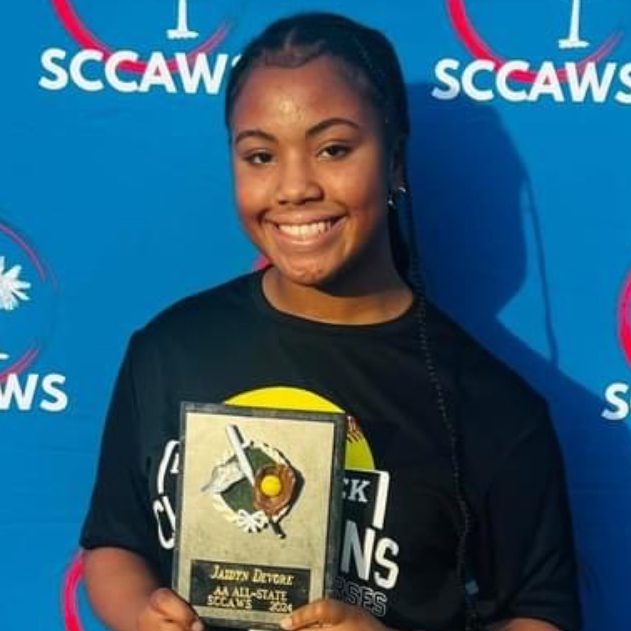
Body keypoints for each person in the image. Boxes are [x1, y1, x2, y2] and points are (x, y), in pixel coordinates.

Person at [80, 12, 580, 631]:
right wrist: (138, 612)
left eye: (333, 149)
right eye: (260, 155)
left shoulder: (494, 408)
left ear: (395, 162)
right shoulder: (168, 350)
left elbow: (542, 615)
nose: (294, 187)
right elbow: (114, 544)